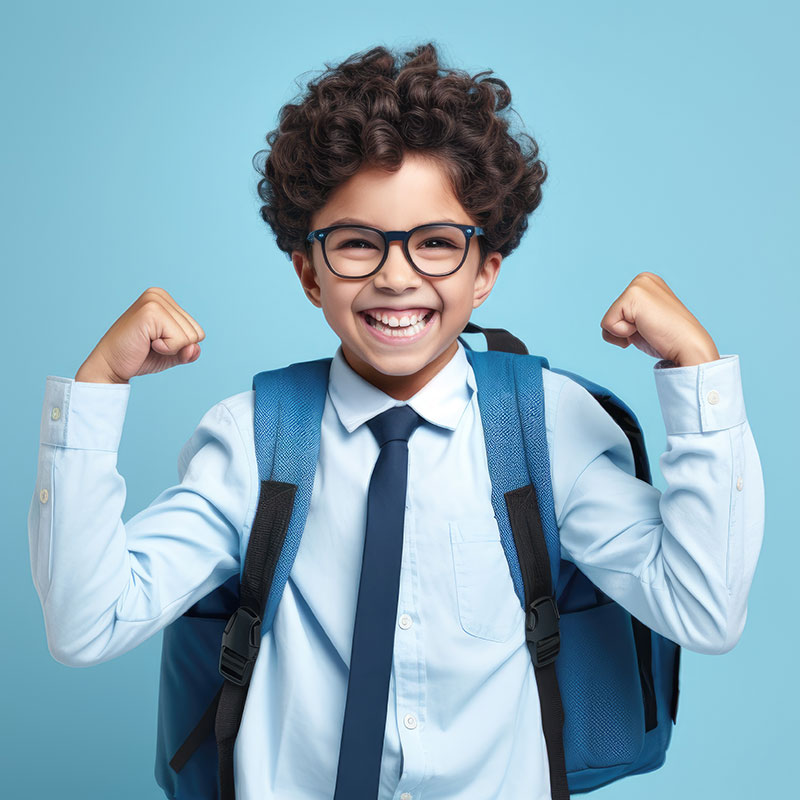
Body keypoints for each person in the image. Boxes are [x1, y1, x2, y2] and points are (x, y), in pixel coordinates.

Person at [28, 42, 765, 799]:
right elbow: (87, 625)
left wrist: (696, 377)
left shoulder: (542, 426)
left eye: (437, 243)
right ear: (309, 271)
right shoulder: (257, 439)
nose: (395, 274)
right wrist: (97, 388)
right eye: (356, 243)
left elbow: (704, 611)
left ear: (486, 272)